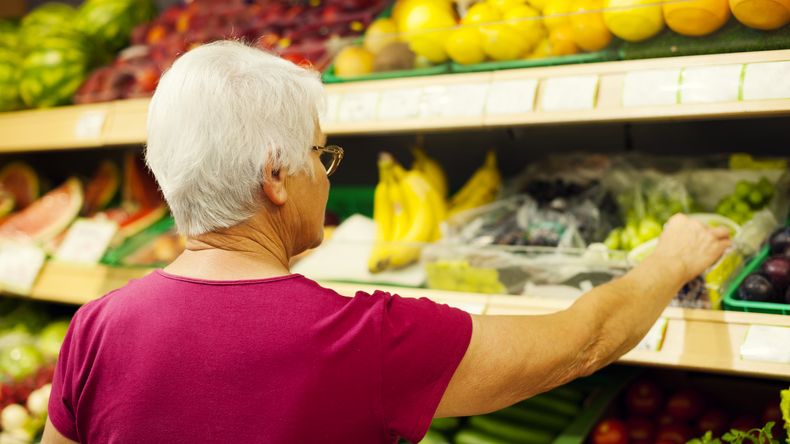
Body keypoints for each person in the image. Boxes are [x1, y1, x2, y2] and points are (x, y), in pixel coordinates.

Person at [42, 41, 731, 444]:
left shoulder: (96, 330)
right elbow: (580, 342)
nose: (325, 172)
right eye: (320, 154)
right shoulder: (362, 338)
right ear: (277, 178)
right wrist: (671, 259)